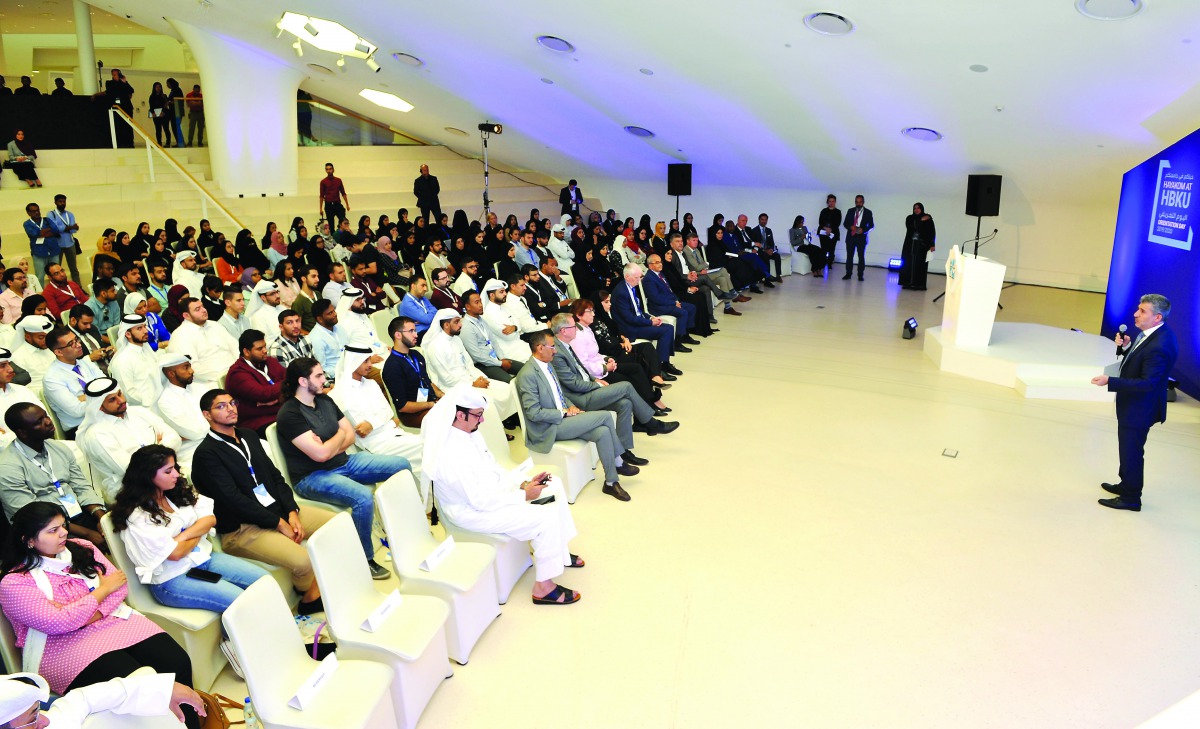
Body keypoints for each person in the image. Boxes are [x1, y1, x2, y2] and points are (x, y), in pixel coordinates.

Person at [0, 502, 202, 729]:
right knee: (137, 683)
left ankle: (190, 725)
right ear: (28, 540)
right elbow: (57, 624)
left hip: (115, 622)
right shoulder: (15, 582)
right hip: (62, 647)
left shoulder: (81, 547)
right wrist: (102, 590)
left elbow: (120, 585)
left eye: (63, 525)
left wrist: (78, 612)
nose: (64, 532)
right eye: (53, 530)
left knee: (176, 661)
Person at [424, 387, 581, 604]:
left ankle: (560, 553)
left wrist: (523, 483)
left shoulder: (470, 434)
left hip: (492, 495)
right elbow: (479, 501)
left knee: (553, 485)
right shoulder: (450, 454)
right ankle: (543, 588)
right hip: (472, 512)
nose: (483, 421)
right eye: (478, 415)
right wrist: (523, 496)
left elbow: (495, 469)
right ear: (460, 415)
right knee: (544, 518)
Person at [191, 389, 333, 615]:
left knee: (337, 525)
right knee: (303, 561)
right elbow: (233, 500)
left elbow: (275, 476)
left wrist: (292, 512)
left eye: (232, 402)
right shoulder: (206, 454)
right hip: (242, 529)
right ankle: (308, 598)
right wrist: (278, 523)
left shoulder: (247, 435)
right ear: (207, 415)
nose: (230, 409)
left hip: (277, 511)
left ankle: (327, 580)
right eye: (221, 406)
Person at [276, 358, 401, 579]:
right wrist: (336, 439)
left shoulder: (325, 400)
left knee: (401, 465)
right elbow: (321, 454)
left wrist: (329, 443)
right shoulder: (290, 414)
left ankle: (399, 530)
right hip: (311, 476)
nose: (325, 379)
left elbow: (348, 435)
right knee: (362, 497)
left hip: (344, 462)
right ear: (302, 381)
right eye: (318, 376)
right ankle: (363, 560)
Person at [111, 442, 269, 613]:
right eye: (168, 471)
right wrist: (195, 532)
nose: (176, 475)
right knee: (242, 603)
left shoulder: (173, 492)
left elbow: (209, 519)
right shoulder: (137, 515)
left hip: (202, 559)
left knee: (264, 581)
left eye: (174, 468)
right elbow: (176, 554)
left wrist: (181, 537)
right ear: (147, 476)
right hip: (172, 579)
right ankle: (230, 640)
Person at [515, 330, 637, 501]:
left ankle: (611, 482)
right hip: (547, 428)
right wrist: (563, 413)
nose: (555, 351)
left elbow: (558, 394)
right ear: (540, 348)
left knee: (602, 432)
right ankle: (619, 461)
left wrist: (571, 407)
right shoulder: (527, 375)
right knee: (604, 417)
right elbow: (533, 413)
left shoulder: (547, 364)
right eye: (552, 347)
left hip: (562, 418)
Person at [1091, 294, 1179, 511]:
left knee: (1131, 451)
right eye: (1138, 309)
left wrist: (1110, 381)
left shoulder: (1159, 345)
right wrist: (1127, 346)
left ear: (1157, 317)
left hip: (1140, 408)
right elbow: (1141, 361)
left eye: (1142, 311)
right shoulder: (1153, 334)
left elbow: (1148, 383)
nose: (1135, 314)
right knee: (1127, 448)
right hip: (1134, 405)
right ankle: (1126, 484)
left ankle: (1131, 497)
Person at [549, 312, 675, 443]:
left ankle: (624, 451)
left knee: (625, 403)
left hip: (588, 385)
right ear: (563, 331)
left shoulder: (565, 345)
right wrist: (597, 384)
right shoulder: (557, 352)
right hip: (580, 397)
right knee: (626, 385)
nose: (576, 328)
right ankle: (652, 423)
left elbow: (581, 369)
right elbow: (573, 384)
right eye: (573, 326)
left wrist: (594, 379)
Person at [0, 403, 107, 546]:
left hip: (77, 513)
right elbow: (32, 518)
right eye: (39, 422)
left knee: (117, 527)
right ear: (23, 433)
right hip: (45, 530)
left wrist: (100, 517)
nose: (48, 422)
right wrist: (87, 533)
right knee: (87, 552)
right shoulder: (8, 467)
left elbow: (81, 486)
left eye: (46, 416)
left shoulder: (58, 448)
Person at [331, 345, 425, 491]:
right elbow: (362, 428)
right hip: (375, 443)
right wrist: (382, 421)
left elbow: (388, 412)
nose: (370, 365)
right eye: (365, 361)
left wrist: (373, 422)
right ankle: (424, 501)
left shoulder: (371, 383)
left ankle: (428, 500)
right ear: (353, 362)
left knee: (428, 445)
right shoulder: (340, 393)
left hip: (393, 433)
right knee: (424, 449)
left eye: (370, 360)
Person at [77, 375, 179, 497]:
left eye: (119, 394)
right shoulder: (97, 434)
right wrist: (161, 447)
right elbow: (130, 470)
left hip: (164, 476)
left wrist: (154, 453)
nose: (120, 401)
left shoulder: (138, 412)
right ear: (99, 406)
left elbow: (175, 438)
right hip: (129, 490)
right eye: (112, 400)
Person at [0, 668, 204, 729]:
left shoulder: (52, 723)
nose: (45, 720)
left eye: (38, 711)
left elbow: (83, 698)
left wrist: (162, 689)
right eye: (32, 719)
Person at [568, 300, 667, 411]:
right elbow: (583, 365)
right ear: (578, 315)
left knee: (636, 368)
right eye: (589, 311)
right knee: (630, 379)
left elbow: (595, 354)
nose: (593, 314)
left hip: (602, 365)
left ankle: (650, 401)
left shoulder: (586, 329)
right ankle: (647, 407)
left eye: (593, 310)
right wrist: (605, 367)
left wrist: (606, 358)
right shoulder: (577, 336)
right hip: (598, 374)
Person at [423, 309, 520, 423]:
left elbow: (469, 365)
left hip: (471, 380)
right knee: (489, 400)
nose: (461, 325)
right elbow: (447, 379)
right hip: (453, 388)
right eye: (457, 322)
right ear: (446, 325)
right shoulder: (435, 347)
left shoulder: (456, 339)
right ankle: (498, 429)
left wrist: (481, 378)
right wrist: (472, 384)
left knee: (507, 388)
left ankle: (508, 420)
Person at [610, 264, 683, 375]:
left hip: (637, 323)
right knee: (666, 331)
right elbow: (628, 318)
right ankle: (659, 367)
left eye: (640, 277)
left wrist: (650, 317)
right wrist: (650, 322)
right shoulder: (621, 292)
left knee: (669, 327)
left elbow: (638, 310)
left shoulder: (631, 287)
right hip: (629, 329)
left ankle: (665, 362)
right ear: (627, 276)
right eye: (636, 278)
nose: (639, 280)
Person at [41, 327, 104, 438]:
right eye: (71, 344)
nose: (79, 345)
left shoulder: (85, 363)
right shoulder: (51, 378)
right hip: (80, 428)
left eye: (77, 340)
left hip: (102, 415)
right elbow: (77, 410)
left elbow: (109, 385)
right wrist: (100, 395)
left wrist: (83, 397)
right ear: (58, 352)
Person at [381, 316, 443, 430]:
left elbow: (427, 382)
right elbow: (403, 406)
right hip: (412, 415)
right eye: (411, 331)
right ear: (398, 335)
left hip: (429, 403)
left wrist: (443, 396)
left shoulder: (416, 354)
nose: (416, 334)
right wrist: (432, 404)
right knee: (448, 418)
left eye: (415, 330)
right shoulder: (392, 366)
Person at [152, 352, 208, 472]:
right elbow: (195, 433)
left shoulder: (200, 387)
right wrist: (215, 422)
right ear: (171, 373)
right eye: (186, 368)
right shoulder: (165, 401)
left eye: (190, 366)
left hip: (217, 439)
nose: (192, 371)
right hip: (193, 450)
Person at [166, 297, 237, 387]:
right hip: (209, 382)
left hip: (235, 372)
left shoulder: (215, 325)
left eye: (202, 306)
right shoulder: (180, 335)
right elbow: (192, 368)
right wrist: (224, 375)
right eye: (197, 309)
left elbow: (235, 346)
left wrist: (238, 369)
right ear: (186, 315)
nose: (204, 310)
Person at [226, 330, 285, 436]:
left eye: (264, 346)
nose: (265, 351)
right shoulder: (237, 373)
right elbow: (264, 394)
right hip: (255, 422)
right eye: (259, 349)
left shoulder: (270, 361)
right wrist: (286, 385)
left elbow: (289, 378)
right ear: (246, 352)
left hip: (279, 411)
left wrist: (278, 394)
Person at [460, 291, 523, 382]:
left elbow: (493, 341)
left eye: (480, 301)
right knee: (510, 382)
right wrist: (500, 363)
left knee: (525, 369)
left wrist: (502, 358)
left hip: (496, 359)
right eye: (477, 302)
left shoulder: (481, 320)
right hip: (483, 364)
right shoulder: (466, 327)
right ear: (467, 306)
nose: (481, 305)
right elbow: (477, 355)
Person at [673, 232, 742, 316]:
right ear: (687, 241)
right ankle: (733, 293)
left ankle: (727, 307)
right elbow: (697, 267)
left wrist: (704, 266)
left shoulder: (696, 250)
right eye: (693, 240)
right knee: (723, 270)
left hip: (704, 272)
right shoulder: (686, 251)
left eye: (697, 240)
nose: (696, 242)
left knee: (723, 279)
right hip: (698, 275)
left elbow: (701, 264)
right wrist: (706, 264)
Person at [644, 253, 708, 340]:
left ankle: (686, 335)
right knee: (683, 312)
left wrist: (676, 300)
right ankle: (678, 340)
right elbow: (656, 298)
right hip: (658, 307)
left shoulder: (661, 274)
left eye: (661, 262)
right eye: (657, 262)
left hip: (668, 303)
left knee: (691, 307)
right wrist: (673, 303)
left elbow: (669, 290)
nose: (660, 264)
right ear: (650, 265)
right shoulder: (648, 279)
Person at [109, 315, 161, 408]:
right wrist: (153, 402)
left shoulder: (146, 349)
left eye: (145, 326)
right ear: (128, 334)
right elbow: (129, 394)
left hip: (160, 400)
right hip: (143, 407)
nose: (146, 331)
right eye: (139, 328)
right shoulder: (122, 360)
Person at [11, 316, 55, 392]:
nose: (46, 340)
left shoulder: (50, 347)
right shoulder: (17, 356)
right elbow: (26, 387)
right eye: (41, 337)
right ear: (28, 337)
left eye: (47, 336)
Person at [900, 203, 936, 290]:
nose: (916, 210)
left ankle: (919, 284)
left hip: (922, 245)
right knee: (908, 263)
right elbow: (912, 227)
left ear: (922, 209)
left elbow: (932, 232)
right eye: (915, 208)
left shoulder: (928, 219)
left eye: (918, 208)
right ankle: (907, 282)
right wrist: (921, 220)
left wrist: (932, 244)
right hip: (910, 244)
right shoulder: (910, 218)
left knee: (920, 264)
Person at [47, 195, 82, 285]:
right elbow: (54, 228)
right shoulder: (51, 214)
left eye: (64, 201)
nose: (62, 203)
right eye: (60, 201)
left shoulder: (70, 214)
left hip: (70, 243)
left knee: (74, 268)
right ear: (55, 202)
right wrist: (69, 227)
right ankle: (57, 287)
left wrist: (66, 228)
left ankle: (78, 288)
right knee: (55, 269)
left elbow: (74, 230)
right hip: (57, 244)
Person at [23, 203, 61, 283]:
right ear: (28, 213)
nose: (37, 212)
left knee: (56, 273)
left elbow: (56, 230)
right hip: (39, 252)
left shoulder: (47, 220)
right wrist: (47, 230)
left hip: (53, 250)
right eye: (33, 211)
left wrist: (41, 233)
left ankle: (58, 291)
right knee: (40, 275)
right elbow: (33, 234)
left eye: (37, 210)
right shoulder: (27, 224)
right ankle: (41, 294)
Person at [307, 299, 344, 377]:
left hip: (353, 369)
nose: (335, 314)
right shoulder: (315, 338)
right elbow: (321, 368)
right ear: (320, 319)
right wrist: (342, 370)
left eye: (334, 311)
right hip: (337, 376)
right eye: (330, 313)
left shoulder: (340, 328)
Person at [842, 194, 874, 281]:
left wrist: (863, 230)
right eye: (857, 202)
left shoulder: (868, 212)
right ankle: (848, 273)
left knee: (861, 256)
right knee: (849, 256)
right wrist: (850, 227)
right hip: (851, 236)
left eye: (860, 202)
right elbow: (845, 223)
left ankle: (860, 275)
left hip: (861, 237)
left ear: (863, 202)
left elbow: (871, 226)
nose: (858, 204)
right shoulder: (850, 211)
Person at [398, 274, 436, 340]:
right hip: (419, 334)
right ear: (413, 286)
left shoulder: (422, 297)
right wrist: (428, 316)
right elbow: (427, 319)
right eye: (423, 285)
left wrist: (426, 317)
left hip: (431, 328)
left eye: (426, 286)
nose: (426, 289)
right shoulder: (407, 303)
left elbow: (435, 310)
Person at [747, 213, 783, 282]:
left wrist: (771, 249)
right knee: (765, 256)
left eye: (765, 220)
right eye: (762, 220)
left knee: (777, 256)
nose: (764, 221)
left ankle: (778, 275)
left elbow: (772, 242)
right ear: (759, 220)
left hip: (768, 250)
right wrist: (765, 250)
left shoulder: (769, 230)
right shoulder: (754, 231)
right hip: (760, 251)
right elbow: (755, 245)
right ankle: (767, 277)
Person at [319, 162, 349, 230]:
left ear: (333, 169)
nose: (329, 171)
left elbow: (343, 192)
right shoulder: (323, 182)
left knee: (343, 221)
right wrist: (320, 208)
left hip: (337, 204)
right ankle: (334, 238)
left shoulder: (338, 180)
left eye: (330, 169)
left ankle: (342, 236)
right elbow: (321, 195)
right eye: (327, 169)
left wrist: (347, 204)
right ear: (325, 170)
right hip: (328, 205)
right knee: (331, 225)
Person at [817, 194, 842, 275]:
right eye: (829, 201)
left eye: (833, 201)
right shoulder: (823, 211)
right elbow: (820, 221)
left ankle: (830, 263)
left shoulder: (838, 212)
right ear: (827, 202)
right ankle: (823, 263)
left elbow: (838, 223)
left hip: (833, 232)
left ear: (835, 202)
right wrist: (825, 228)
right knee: (824, 249)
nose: (831, 203)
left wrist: (830, 229)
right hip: (823, 232)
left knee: (832, 249)